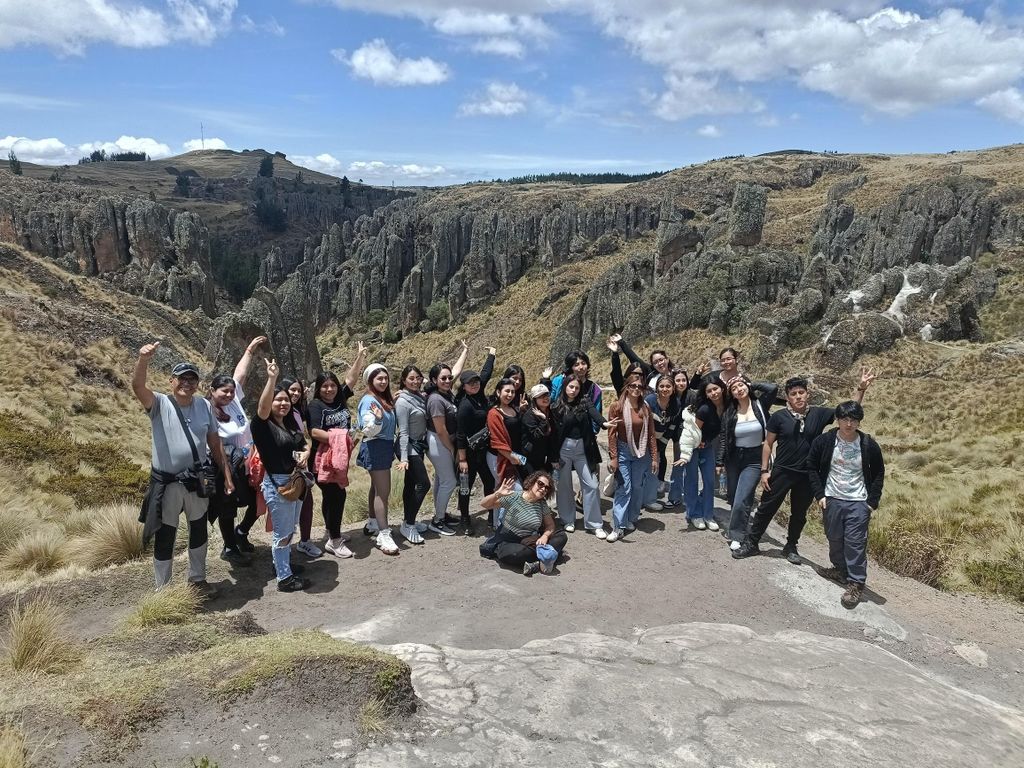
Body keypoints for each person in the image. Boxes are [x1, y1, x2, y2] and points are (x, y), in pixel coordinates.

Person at [733, 367, 876, 563]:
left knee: (799, 513)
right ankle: (752, 542)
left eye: (801, 392)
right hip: (782, 470)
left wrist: (861, 388)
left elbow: (847, 411)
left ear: (807, 394)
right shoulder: (779, 417)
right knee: (767, 507)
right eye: (793, 394)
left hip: (808, 473)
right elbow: (767, 444)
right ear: (788, 397)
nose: (798, 397)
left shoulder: (818, 414)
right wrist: (764, 471)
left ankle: (791, 546)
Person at [134, 342, 231, 596]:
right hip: (168, 484)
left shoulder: (204, 406)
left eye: (192, 379)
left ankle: (197, 579)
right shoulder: (159, 404)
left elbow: (214, 441)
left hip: (196, 482)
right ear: (171, 381)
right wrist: (143, 360)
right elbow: (138, 387)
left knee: (198, 528)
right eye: (182, 378)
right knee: (166, 533)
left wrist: (227, 475)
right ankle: (163, 590)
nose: (187, 383)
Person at [806, 401, 885, 609]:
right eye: (845, 419)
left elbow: (878, 473)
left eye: (853, 420)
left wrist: (871, 502)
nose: (849, 424)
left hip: (858, 501)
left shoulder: (867, 444)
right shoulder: (825, 441)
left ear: (859, 422)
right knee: (834, 537)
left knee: (855, 542)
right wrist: (820, 494)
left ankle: (856, 582)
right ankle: (840, 570)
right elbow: (812, 466)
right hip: (832, 498)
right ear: (838, 420)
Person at [252, 357, 311, 592]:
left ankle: (282, 565)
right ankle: (284, 579)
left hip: (295, 482)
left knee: (290, 527)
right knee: (282, 532)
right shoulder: (262, 426)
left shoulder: (290, 425)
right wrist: (272, 378)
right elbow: (263, 409)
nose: (283, 404)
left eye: (286, 400)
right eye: (278, 400)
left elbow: (304, 444)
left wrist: (306, 454)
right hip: (279, 484)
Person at [207, 336, 264, 563]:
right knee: (227, 506)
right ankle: (229, 547)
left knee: (259, 499)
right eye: (224, 391)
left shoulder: (234, 401)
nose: (229, 395)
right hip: (226, 465)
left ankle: (241, 533)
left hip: (249, 462)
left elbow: (239, 374)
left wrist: (249, 349)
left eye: (231, 391)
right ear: (212, 390)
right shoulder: (206, 410)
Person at [308, 342, 367, 559]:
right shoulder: (315, 406)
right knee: (337, 496)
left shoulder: (340, 399)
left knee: (331, 497)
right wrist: (341, 437)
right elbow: (314, 432)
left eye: (332, 385)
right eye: (325, 386)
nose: (330, 389)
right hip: (322, 459)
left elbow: (350, 379)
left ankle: (330, 531)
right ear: (318, 388)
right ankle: (334, 540)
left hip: (338, 458)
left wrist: (359, 356)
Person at [552, 374, 615, 535]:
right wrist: (553, 457)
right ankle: (567, 519)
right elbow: (552, 432)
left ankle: (594, 524)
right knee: (564, 486)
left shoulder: (584, 402)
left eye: (577, 387)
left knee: (592, 485)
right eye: (571, 387)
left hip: (583, 450)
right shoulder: (557, 406)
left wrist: (603, 423)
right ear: (565, 387)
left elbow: (594, 412)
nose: (573, 390)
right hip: (563, 450)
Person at [718, 376, 776, 550]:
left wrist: (752, 384)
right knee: (735, 496)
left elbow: (772, 388)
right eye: (734, 388)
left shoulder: (760, 405)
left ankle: (737, 534)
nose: (739, 389)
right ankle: (742, 522)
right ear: (731, 394)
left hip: (754, 458)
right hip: (734, 457)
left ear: (747, 386)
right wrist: (719, 461)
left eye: (741, 385)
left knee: (743, 496)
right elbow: (723, 438)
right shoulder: (730, 411)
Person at [479, 473, 567, 576]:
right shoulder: (515, 496)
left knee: (561, 536)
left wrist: (543, 536)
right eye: (540, 484)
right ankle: (547, 558)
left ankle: (538, 562)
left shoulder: (542, 504)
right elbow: (484, 504)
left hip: (531, 540)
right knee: (514, 553)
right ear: (531, 483)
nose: (543, 489)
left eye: (547, 488)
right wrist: (497, 494)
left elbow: (550, 526)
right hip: (509, 540)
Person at [606, 373, 657, 542]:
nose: (636, 389)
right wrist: (613, 457)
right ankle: (618, 525)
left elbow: (650, 434)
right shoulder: (617, 407)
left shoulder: (645, 407)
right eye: (633, 386)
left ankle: (631, 518)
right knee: (624, 487)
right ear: (626, 387)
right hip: (623, 451)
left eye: (640, 387)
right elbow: (611, 434)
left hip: (642, 453)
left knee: (637, 487)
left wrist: (655, 457)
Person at [358, 363, 399, 555]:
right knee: (383, 492)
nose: (383, 381)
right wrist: (379, 419)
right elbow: (368, 429)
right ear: (370, 381)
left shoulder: (380, 399)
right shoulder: (369, 401)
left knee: (376, 488)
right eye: (378, 378)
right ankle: (384, 533)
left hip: (381, 446)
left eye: (385, 378)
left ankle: (373, 522)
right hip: (376, 446)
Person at [455, 347, 497, 533]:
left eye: (476, 382)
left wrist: (492, 355)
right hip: (469, 455)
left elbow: (485, 374)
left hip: (484, 451)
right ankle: (464, 519)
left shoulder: (480, 395)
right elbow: (460, 434)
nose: (475, 385)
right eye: (470, 383)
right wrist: (462, 459)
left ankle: (491, 515)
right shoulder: (465, 406)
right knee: (465, 486)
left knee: (489, 482)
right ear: (463, 386)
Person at [425, 355, 468, 537]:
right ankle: (437, 521)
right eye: (443, 378)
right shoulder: (436, 400)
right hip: (439, 441)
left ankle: (440, 514)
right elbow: (441, 429)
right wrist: (453, 449)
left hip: (441, 441)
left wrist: (465, 351)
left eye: (449, 378)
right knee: (449, 481)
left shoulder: (445, 392)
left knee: (442, 480)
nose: (448, 380)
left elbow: (456, 371)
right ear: (434, 380)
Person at [281, 377, 320, 558]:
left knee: (306, 502)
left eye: (298, 390)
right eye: (292, 390)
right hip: (284, 467)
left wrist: (306, 452)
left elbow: (303, 438)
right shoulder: (279, 412)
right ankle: (283, 552)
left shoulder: (297, 411)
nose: (295, 393)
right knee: (286, 508)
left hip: (300, 465)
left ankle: (304, 542)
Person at [394, 365, 431, 545]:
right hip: (408, 446)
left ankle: (408, 520)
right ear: (403, 380)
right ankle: (408, 524)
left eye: (418, 377)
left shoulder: (420, 397)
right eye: (411, 378)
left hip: (418, 445)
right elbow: (403, 432)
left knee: (410, 484)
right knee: (423, 484)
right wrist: (404, 458)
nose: (415, 381)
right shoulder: (402, 401)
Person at [686, 379, 726, 531]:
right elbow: (694, 431)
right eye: (709, 391)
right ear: (706, 395)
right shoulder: (704, 409)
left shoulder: (727, 406)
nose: (713, 393)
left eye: (715, 389)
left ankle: (708, 515)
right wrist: (699, 442)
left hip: (707, 446)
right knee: (692, 480)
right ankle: (694, 514)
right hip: (693, 446)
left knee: (709, 481)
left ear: (722, 389)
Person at [643, 374, 680, 512]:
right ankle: (637, 499)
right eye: (662, 386)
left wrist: (660, 447)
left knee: (654, 470)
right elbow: (644, 425)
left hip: (660, 439)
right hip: (643, 439)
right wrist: (650, 446)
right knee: (640, 471)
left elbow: (672, 427)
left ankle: (650, 500)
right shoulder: (649, 401)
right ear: (657, 388)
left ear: (673, 388)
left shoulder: (676, 403)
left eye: (668, 386)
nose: (665, 389)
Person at [663, 368, 693, 510]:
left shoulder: (693, 396)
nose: (681, 383)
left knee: (691, 467)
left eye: (684, 380)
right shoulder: (670, 396)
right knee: (678, 464)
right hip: (674, 435)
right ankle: (675, 496)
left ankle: (688, 497)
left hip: (691, 435)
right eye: (678, 380)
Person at [608, 333, 674, 392]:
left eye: (661, 360)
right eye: (655, 362)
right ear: (653, 365)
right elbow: (634, 359)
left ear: (667, 359)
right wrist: (621, 342)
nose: (659, 363)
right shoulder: (651, 373)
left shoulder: (677, 375)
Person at [549, 350, 603, 415]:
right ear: (570, 367)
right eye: (576, 365)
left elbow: (596, 413)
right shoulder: (559, 381)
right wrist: (545, 381)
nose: (581, 367)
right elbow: (549, 400)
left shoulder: (594, 389)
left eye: (583, 363)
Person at [521, 383, 557, 475]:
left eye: (546, 395)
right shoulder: (529, 416)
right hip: (531, 457)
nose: (545, 398)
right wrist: (543, 420)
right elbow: (536, 436)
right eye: (540, 396)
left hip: (545, 455)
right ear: (534, 399)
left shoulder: (552, 412)